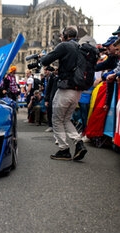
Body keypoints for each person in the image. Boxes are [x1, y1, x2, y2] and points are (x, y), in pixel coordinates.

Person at [40, 26, 87, 161]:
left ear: (66, 35)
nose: (61, 37)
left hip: (65, 89)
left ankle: (64, 149)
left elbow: (45, 61)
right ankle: (79, 144)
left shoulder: (64, 46)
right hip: (77, 90)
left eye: (62, 35)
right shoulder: (80, 47)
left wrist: (43, 56)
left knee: (56, 119)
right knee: (66, 119)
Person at [43, 66, 56, 132]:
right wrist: (46, 99)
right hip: (49, 96)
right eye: (45, 70)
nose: (45, 71)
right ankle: (51, 125)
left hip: (53, 96)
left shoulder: (52, 77)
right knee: (49, 111)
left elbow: (49, 88)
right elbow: (47, 89)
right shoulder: (46, 78)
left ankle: (53, 126)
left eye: (47, 70)